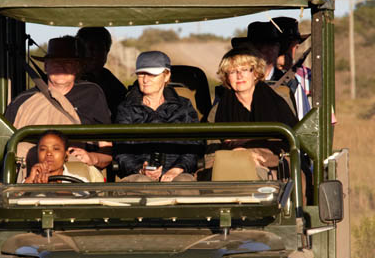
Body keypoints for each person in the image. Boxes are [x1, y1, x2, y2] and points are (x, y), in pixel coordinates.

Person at [4, 36, 112, 173]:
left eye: (68, 62)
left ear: (78, 67)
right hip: (30, 179)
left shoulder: (92, 94)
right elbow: (6, 150)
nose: (62, 67)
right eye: (56, 62)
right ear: (45, 66)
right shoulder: (23, 102)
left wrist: (92, 158)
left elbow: (107, 149)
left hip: (79, 179)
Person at [207, 46, 298, 177]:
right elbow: (212, 150)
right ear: (226, 77)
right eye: (233, 72)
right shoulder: (217, 110)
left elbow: (291, 142)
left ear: (255, 73)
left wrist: (256, 153)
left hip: (274, 158)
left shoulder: (278, 102)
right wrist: (239, 154)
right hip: (231, 161)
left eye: (245, 70)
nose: (239, 76)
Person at [114, 51, 200, 182]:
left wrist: (177, 169)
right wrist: (140, 169)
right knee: (141, 183)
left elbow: (195, 144)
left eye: (152, 74)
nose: (145, 79)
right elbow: (121, 151)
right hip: (138, 175)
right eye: (141, 74)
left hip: (178, 173)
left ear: (166, 76)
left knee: (184, 185)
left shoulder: (184, 106)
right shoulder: (126, 108)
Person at [76, 27, 127, 113]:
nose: (93, 54)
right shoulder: (66, 80)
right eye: (90, 48)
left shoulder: (115, 86)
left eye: (99, 49)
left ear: (107, 52)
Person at [23, 130, 105, 183]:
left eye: (56, 149)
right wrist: (30, 182)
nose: (48, 153)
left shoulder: (79, 181)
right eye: (43, 149)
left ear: (66, 154)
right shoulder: (31, 180)